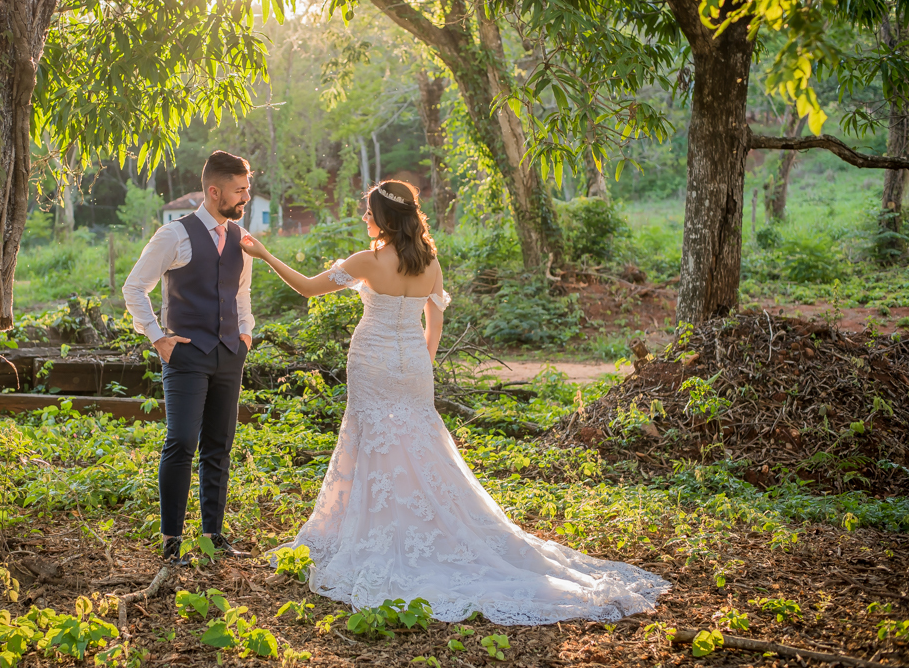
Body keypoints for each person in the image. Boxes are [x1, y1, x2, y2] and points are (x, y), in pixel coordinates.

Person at [240, 180, 669, 624]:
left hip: (371, 362)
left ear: (385, 218)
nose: (365, 219)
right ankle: (415, 523)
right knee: (418, 445)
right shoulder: (428, 260)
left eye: (369, 213)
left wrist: (266, 255)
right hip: (414, 366)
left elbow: (309, 289)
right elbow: (436, 320)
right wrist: (421, 365)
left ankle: (380, 531)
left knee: (373, 441)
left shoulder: (367, 260)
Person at [123, 151, 255, 565]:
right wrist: (157, 337)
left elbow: (240, 293)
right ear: (214, 191)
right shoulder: (173, 236)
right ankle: (171, 542)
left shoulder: (241, 237)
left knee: (220, 445)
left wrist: (246, 334)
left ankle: (213, 536)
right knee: (181, 442)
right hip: (185, 356)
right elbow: (134, 288)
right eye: (239, 190)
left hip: (229, 353)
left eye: (247, 188)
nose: (246, 197)